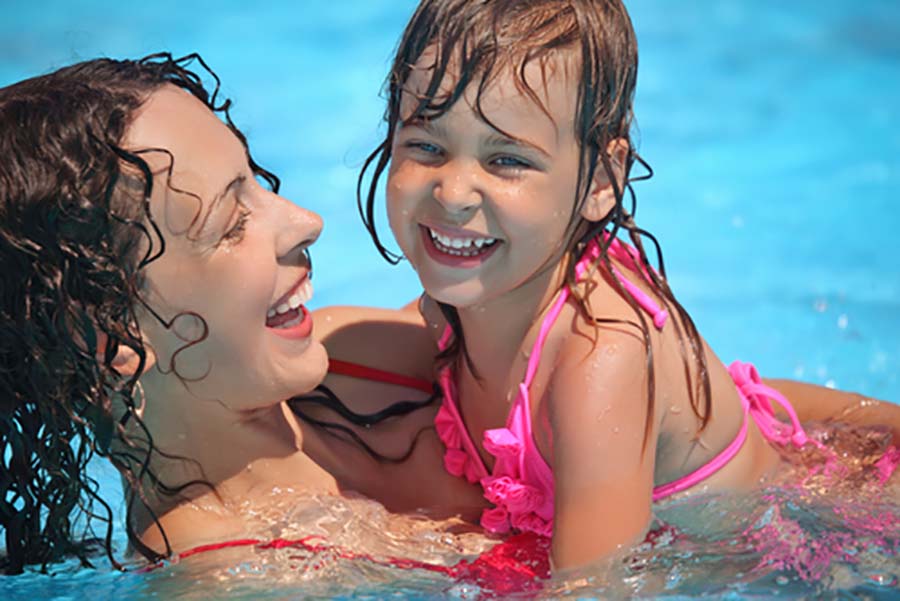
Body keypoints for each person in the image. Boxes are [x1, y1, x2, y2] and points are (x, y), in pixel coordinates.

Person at [354, 0, 900, 571]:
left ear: (601, 179)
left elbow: (598, 586)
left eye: (507, 160)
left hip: (813, 531)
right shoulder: (457, 303)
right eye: (426, 146)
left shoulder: (598, 358)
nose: (454, 192)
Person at [0, 53, 483, 576]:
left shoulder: (347, 354)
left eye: (256, 180)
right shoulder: (240, 579)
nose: (306, 221)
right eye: (231, 223)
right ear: (110, 332)